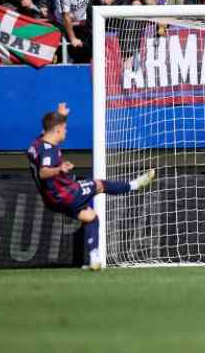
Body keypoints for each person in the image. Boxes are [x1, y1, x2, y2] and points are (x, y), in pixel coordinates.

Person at [26, 103, 156, 271]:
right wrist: (60, 169)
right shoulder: (49, 151)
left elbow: (49, 129)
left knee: (91, 217)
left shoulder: (35, 145)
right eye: (64, 128)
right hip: (65, 194)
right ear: (57, 130)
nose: (66, 131)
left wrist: (61, 116)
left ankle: (94, 258)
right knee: (99, 184)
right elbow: (44, 172)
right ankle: (134, 185)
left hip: (52, 200)